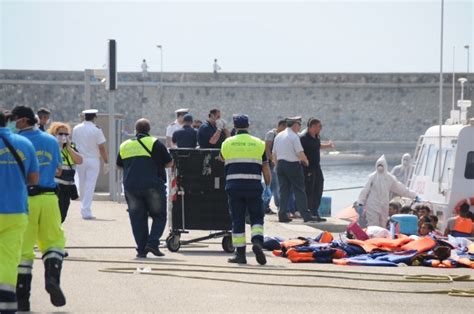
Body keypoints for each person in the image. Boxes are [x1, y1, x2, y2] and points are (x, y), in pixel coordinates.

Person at [11, 106, 67, 311]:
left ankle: (23, 298)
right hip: (50, 197)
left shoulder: (17, 141)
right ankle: (52, 277)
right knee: (54, 241)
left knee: (24, 251)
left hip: (26, 199)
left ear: (23, 121)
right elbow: (59, 168)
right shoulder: (51, 140)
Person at [0, 108, 39, 313]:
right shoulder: (24, 143)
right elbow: (34, 179)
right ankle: (6, 302)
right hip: (15, 210)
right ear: (7, 121)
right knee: (8, 257)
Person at [117, 118, 172, 258]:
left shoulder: (125, 145)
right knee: (159, 215)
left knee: (137, 218)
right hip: (152, 186)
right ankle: (152, 243)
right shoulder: (154, 143)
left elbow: (119, 165)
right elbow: (169, 163)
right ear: (148, 130)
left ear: (136, 130)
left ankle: (141, 250)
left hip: (131, 187)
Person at [220, 114, 271, 265]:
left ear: (235, 127)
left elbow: (222, 158)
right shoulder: (259, 143)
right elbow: (265, 167)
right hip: (254, 186)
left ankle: (240, 255)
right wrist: (268, 185)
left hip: (234, 187)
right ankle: (257, 242)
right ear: (248, 126)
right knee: (256, 217)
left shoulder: (227, 142)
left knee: (238, 219)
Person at [272, 116, 318, 223]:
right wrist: (306, 161)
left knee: (284, 191)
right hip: (292, 165)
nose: (299, 127)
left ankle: (282, 214)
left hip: (280, 165)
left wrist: (277, 165)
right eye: (299, 125)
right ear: (295, 125)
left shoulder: (279, 136)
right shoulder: (294, 136)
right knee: (299, 190)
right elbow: (300, 153)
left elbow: (274, 154)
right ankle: (306, 216)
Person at [357, 155, 418, 228]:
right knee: (373, 224)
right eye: (379, 165)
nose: (380, 167)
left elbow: (401, 189)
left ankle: (381, 238)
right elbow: (364, 190)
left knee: (383, 224)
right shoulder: (372, 177)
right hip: (372, 204)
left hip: (384, 204)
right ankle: (373, 238)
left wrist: (414, 195)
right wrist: (360, 202)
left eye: (382, 165)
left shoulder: (389, 178)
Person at [72, 109, 108, 219]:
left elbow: (73, 144)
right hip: (93, 159)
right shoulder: (96, 129)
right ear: (94, 117)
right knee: (90, 185)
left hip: (80, 159)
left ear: (84, 117)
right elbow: (101, 147)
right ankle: (86, 210)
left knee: (82, 184)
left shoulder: (76, 128)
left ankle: (84, 207)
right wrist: (106, 161)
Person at [300, 118, 335, 222]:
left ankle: (315, 211)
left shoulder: (316, 137)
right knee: (309, 191)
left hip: (316, 167)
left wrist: (328, 146)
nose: (321, 129)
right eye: (319, 126)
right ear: (313, 126)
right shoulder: (303, 138)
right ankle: (309, 213)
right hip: (307, 168)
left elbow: (317, 146)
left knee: (318, 188)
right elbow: (298, 151)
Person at [48, 122, 83, 223]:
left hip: (67, 187)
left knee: (62, 216)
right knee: (53, 217)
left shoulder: (71, 146)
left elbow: (80, 160)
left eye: (66, 134)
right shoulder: (50, 146)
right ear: (53, 134)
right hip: (54, 186)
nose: (63, 136)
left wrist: (68, 148)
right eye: (60, 133)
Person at [264, 119, 287, 214]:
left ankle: (266, 206)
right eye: (285, 127)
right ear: (281, 126)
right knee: (274, 186)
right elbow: (267, 148)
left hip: (278, 164)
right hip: (271, 164)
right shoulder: (271, 134)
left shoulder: (282, 135)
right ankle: (279, 206)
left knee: (273, 186)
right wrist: (272, 160)